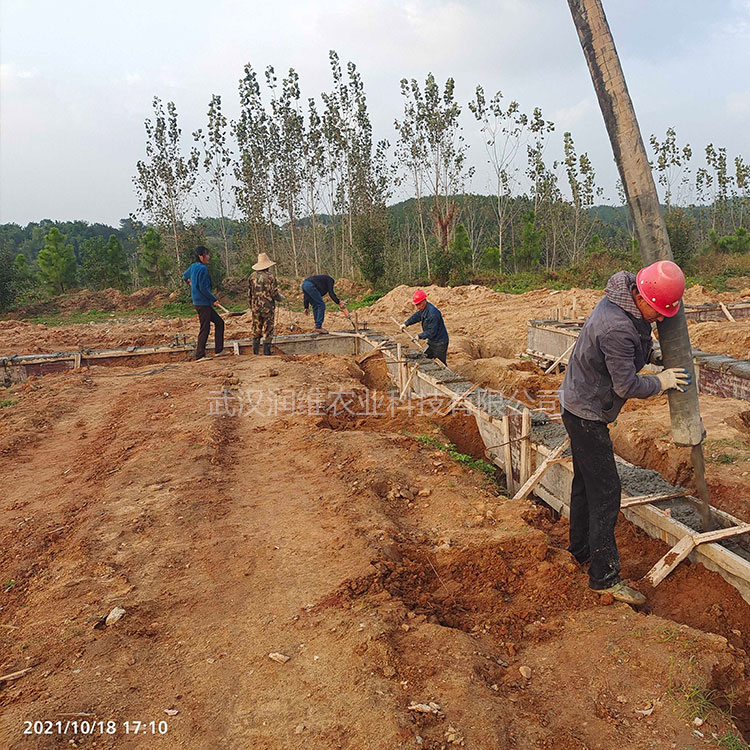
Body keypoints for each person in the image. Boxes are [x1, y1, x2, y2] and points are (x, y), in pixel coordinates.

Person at [558, 260, 691, 606]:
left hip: (578, 401)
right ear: (643, 297)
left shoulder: (628, 296)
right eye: (658, 311)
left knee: (586, 482)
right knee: (606, 490)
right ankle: (604, 577)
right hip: (586, 412)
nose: (662, 318)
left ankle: (580, 550)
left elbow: (639, 337)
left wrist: (652, 353)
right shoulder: (616, 327)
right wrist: (660, 382)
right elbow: (627, 384)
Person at [182, 246, 227, 361]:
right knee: (205, 328)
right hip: (203, 303)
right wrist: (213, 299)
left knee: (219, 322)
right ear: (201, 257)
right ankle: (200, 355)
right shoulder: (202, 269)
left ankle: (219, 350)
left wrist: (190, 283)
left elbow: (184, 277)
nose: (208, 257)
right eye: (206, 255)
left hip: (200, 302)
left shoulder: (193, 267)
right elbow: (203, 288)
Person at [248, 252, 285, 356]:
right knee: (268, 329)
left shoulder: (252, 276)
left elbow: (249, 294)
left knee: (256, 328)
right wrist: (280, 298)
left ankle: (255, 352)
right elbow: (274, 293)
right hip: (268, 307)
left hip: (255, 307)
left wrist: (251, 306)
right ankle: (266, 352)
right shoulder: (271, 277)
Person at [400, 289, 449, 364]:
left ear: (424, 301)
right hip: (432, 341)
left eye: (419, 304)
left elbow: (432, 332)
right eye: (416, 305)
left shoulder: (433, 313)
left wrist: (419, 336)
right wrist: (406, 324)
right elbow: (417, 316)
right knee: (424, 357)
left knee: (441, 364)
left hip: (440, 342)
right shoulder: (424, 309)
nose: (418, 307)